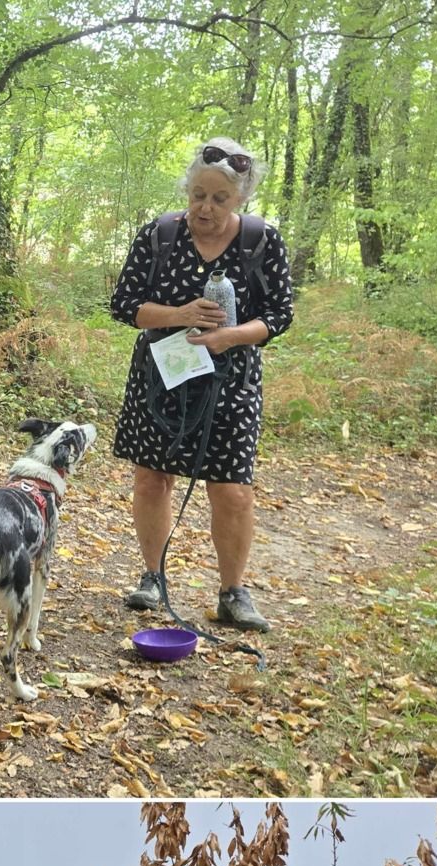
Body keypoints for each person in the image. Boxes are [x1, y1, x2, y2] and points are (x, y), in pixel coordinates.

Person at [110, 139, 295, 632]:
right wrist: (180, 315)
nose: (204, 208)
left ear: (239, 199)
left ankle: (233, 592)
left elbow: (279, 316)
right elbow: (125, 304)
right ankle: (153, 578)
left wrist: (228, 337)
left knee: (232, 490)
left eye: (218, 198)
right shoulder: (159, 235)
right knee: (152, 479)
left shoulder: (261, 241)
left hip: (232, 380)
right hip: (162, 374)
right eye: (197, 196)